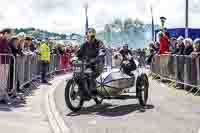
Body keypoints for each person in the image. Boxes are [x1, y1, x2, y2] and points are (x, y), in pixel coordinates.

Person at [77, 28, 105, 98]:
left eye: (92, 36)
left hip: (98, 63)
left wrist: (100, 55)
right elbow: (78, 53)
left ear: (94, 36)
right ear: (86, 36)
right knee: (80, 74)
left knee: (91, 74)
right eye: (89, 36)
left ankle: (94, 91)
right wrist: (74, 57)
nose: (90, 38)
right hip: (88, 63)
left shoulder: (99, 42)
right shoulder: (84, 44)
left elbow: (102, 50)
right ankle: (82, 90)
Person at [0, 28, 13, 102]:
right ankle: (1, 96)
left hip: (5, 62)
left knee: (4, 80)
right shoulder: (1, 39)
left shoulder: (5, 40)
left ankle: (2, 95)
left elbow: (8, 49)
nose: (10, 36)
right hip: (2, 62)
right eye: (10, 34)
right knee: (2, 80)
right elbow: (4, 50)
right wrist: (7, 52)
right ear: (6, 33)